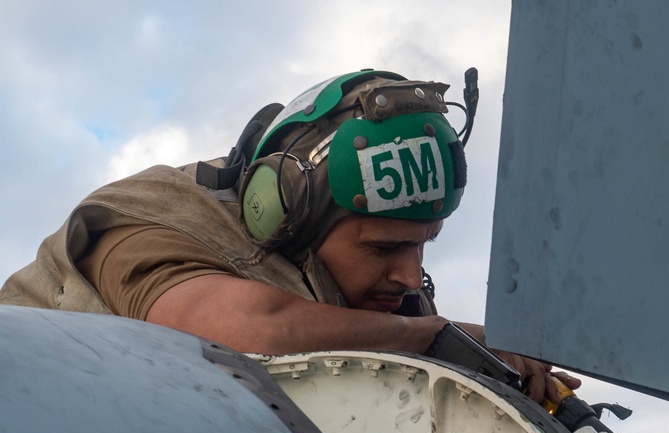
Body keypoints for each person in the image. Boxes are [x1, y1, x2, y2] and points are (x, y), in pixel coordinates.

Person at [0, 69, 579, 403]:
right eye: (383, 247)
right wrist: (435, 341)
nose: (407, 276)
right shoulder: (150, 218)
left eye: (422, 243)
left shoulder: (386, 312)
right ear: (282, 209)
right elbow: (241, 330)